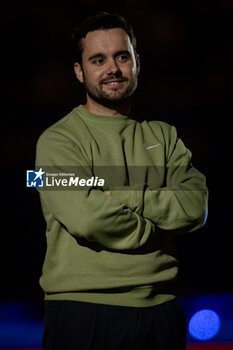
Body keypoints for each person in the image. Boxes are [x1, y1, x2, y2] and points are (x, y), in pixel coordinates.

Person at [36, 12, 208, 350]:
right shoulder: (57, 142)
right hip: (83, 312)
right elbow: (89, 219)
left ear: (137, 62)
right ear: (78, 70)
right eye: (98, 60)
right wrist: (156, 229)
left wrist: (119, 192)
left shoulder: (165, 136)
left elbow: (195, 207)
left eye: (122, 56)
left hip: (162, 311)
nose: (113, 68)